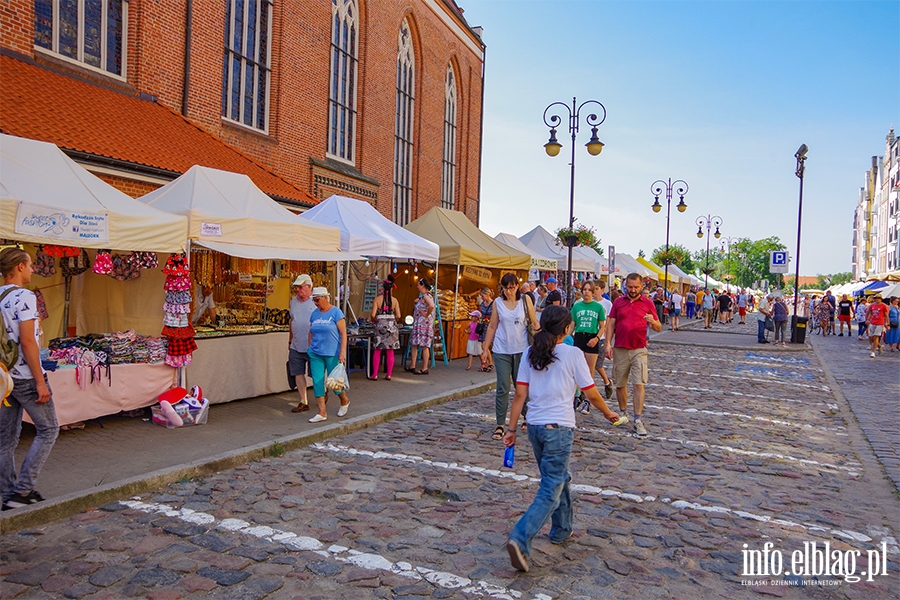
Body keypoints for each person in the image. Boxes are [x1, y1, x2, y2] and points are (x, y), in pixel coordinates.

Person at [502, 305, 620, 572]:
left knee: (559, 477)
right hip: (559, 428)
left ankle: (561, 529)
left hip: (534, 426)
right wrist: (608, 413)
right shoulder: (573, 353)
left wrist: (510, 430)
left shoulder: (530, 353)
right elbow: (590, 393)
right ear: (567, 329)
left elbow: (520, 395)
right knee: (551, 487)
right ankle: (520, 538)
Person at [0, 247, 59, 510]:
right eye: (31, 264)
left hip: (3, 376)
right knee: (48, 429)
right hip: (23, 374)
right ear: (20, 267)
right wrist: (39, 380)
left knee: (6, 439)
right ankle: (22, 491)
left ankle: (6, 492)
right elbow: (27, 341)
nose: (33, 269)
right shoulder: (24, 296)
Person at [482, 273, 541, 440]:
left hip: (522, 350)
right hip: (502, 349)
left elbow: (535, 323)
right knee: (502, 386)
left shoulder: (525, 301)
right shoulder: (498, 303)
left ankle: (526, 416)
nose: (509, 291)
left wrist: (545, 341)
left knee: (521, 386)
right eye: (506, 288)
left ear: (517, 286)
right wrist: (486, 348)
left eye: (512, 288)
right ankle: (500, 424)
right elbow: (492, 326)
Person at [605, 272, 662, 438]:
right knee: (620, 384)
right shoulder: (618, 302)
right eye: (630, 287)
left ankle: (638, 419)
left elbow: (658, 327)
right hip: (620, 347)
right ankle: (624, 413)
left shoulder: (648, 303)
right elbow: (611, 324)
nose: (633, 290)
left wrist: (652, 320)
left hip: (639, 348)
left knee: (639, 384)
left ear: (641, 286)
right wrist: (608, 343)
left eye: (636, 287)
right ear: (625, 286)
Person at [307, 287, 350, 423]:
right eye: (314, 300)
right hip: (316, 352)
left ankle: (344, 400)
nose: (316, 303)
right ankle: (322, 412)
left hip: (332, 353)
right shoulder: (314, 314)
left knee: (335, 383)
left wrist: (342, 352)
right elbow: (311, 330)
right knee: (318, 382)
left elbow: (343, 333)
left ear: (325, 297)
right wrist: (309, 347)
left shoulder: (336, 312)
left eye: (317, 300)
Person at [570, 281, 607, 414]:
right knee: (575, 370)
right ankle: (575, 397)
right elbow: (573, 324)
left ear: (592, 292)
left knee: (589, 371)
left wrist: (596, 338)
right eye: (584, 289)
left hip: (592, 337)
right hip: (579, 337)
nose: (586, 292)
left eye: (589, 290)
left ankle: (587, 401)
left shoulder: (598, 307)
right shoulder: (577, 306)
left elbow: (602, 326)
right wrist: (568, 337)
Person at [288, 274, 315, 413]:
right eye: (297, 287)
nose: (298, 290)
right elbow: (292, 321)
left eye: (300, 287)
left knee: (315, 374)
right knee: (298, 373)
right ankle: (303, 401)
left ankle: (322, 394)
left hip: (313, 345)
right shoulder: (293, 302)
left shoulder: (315, 302)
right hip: (296, 344)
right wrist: (290, 340)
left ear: (309, 287)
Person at [369, 275, 401, 381]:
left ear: (383, 288)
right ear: (392, 288)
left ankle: (375, 374)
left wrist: (376, 319)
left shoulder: (377, 299)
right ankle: (389, 374)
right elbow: (399, 316)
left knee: (377, 350)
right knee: (390, 351)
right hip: (392, 327)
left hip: (380, 325)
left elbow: (373, 315)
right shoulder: (395, 300)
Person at [408, 278, 435, 375]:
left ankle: (424, 368)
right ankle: (413, 365)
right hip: (419, 324)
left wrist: (427, 314)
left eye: (418, 284)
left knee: (424, 346)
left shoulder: (426, 296)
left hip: (423, 325)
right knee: (414, 344)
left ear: (422, 285)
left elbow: (431, 305)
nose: (417, 286)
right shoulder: (423, 296)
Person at [477, 288, 494, 372]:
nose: (481, 297)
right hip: (483, 326)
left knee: (485, 345)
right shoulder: (482, 304)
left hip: (490, 326)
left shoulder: (494, 304)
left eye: (482, 296)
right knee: (482, 346)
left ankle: (490, 363)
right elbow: (481, 314)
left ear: (487, 295)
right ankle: (486, 363)